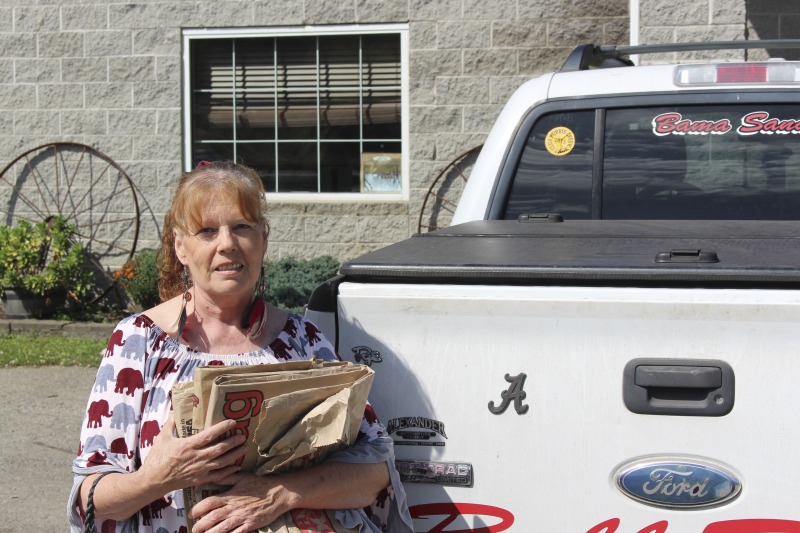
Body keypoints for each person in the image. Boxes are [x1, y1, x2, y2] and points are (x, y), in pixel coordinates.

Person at [69, 161, 414, 532]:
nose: (227, 244)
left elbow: (375, 470)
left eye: (241, 227)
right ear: (180, 246)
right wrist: (158, 476)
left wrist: (278, 494)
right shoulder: (139, 342)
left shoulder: (302, 340)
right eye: (206, 231)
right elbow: (89, 497)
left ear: (263, 239)